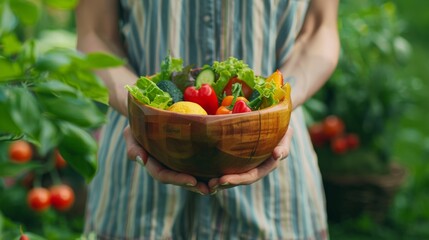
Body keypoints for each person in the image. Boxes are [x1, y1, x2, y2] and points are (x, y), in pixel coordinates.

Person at [76, 0, 339, 239]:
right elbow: (96, 34)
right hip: (138, 188)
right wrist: (140, 110)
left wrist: (280, 104)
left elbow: (319, 31)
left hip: (274, 191)